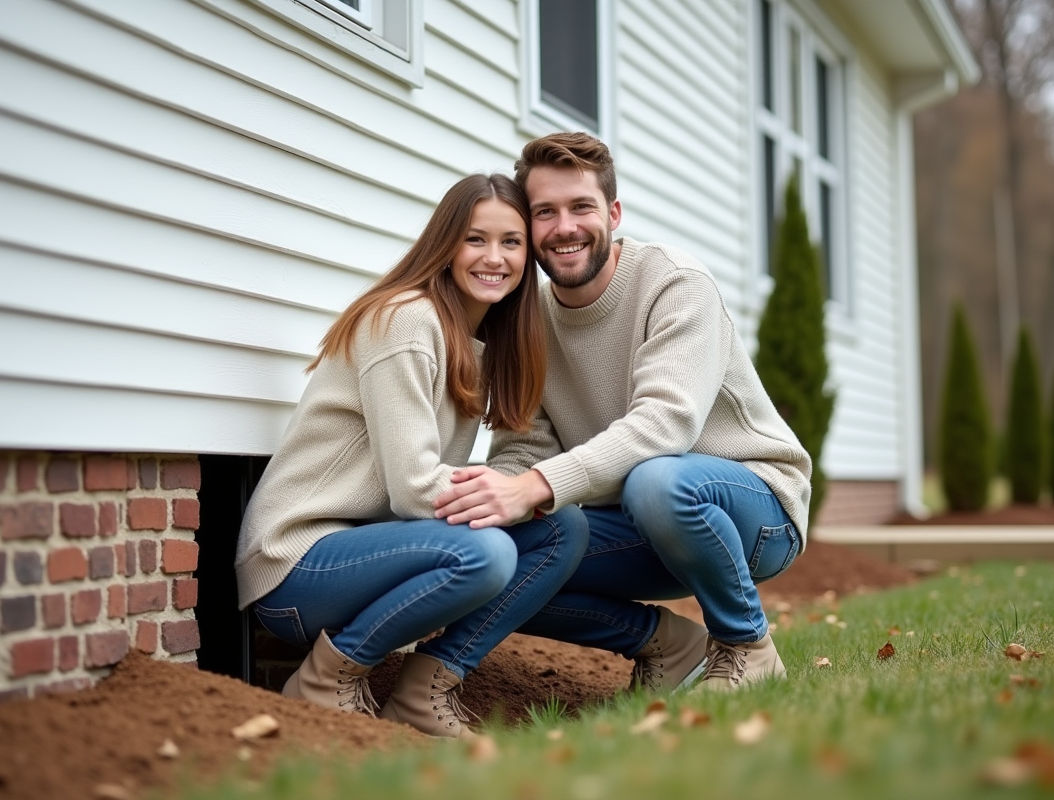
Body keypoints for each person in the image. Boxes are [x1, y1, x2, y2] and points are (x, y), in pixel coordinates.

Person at [433, 133, 812, 694]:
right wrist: (491, 496)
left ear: (612, 212)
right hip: (641, 525)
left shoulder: (675, 284)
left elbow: (666, 425)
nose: (564, 227)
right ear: (528, 226)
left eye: (581, 207)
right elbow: (526, 446)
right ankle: (665, 645)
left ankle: (747, 646)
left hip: (754, 509)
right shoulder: (527, 318)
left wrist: (535, 485)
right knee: (506, 559)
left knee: (657, 479)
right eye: (545, 212)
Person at [235, 173, 588, 739]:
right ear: (445, 244)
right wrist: (506, 496)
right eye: (475, 239)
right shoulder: (405, 319)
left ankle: (424, 689)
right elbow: (413, 487)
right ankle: (327, 678)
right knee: (488, 554)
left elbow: (524, 453)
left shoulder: (486, 338)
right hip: (295, 566)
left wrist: (526, 489)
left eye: (511, 242)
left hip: (373, 553)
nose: (493, 258)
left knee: (563, 526)